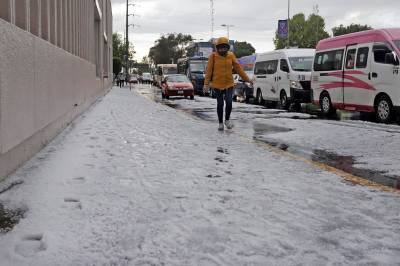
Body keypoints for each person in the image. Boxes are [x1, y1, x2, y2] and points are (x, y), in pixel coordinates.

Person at [203, 37, 252, 131]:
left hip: (229, 84)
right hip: (217, 85)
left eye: (224, 48)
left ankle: (227, 120)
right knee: (220, 104)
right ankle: (220, 123)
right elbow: (208, 71)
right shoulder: (213, 56)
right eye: (220, 48)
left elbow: (238, 69)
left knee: (229, 103)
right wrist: (206, 84)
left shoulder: (231, 55)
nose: (222, 50)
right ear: (217, 48)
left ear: (227, 48)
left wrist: (247, 79)